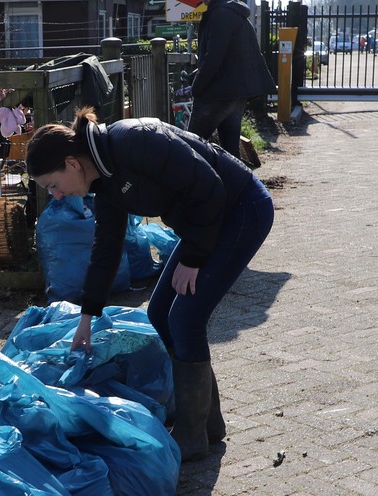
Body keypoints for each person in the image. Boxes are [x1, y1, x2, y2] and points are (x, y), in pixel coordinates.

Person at [26, 110, 273, 463]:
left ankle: (192, 436)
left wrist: (194, 258)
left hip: (241, 209)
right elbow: (106, 249)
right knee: (159, 313)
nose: (57, 196)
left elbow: (209, 187)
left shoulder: (135, 140)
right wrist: (87, 316)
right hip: (206, 221)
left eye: (53, 185)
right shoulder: (104, 181)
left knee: (185, 318)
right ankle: (208, 425)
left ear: (72, 163)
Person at [188, 0, 275, 159]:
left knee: (191, 147)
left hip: (217, 92)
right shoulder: (233, 10)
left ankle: (191, 180)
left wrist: (196, 87)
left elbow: (214, 57)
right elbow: (232, 54)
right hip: (235, 92)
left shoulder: (221, 13)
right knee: (230, 151)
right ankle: (236, 179)